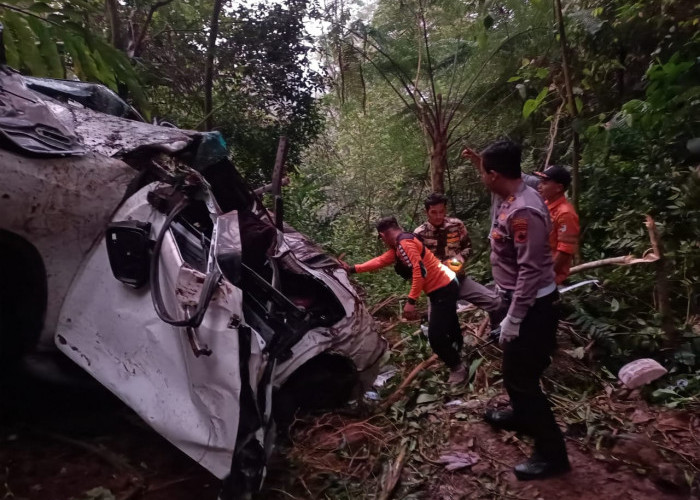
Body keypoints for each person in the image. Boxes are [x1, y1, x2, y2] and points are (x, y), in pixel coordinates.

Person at [467, 139, 570, 480]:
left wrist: (515, 317)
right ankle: (521, 415)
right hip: (518, 298)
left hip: (533, 305)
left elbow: (529, 271)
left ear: (494, 175)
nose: (482, 178)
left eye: (483, 172)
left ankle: (552, 454)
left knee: (523, 378)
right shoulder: (518, 189)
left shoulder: (524, 210)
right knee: (513, 370)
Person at [340, 216, 468, 385]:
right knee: (450, 324)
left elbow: (419, 272)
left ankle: (457, 367)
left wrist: (411, 302)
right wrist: (353, 269)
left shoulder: (405, 244)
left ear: (383, 235)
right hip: (445, 284)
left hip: (443, 288)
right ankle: (461, 352)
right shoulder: (401, 243)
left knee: (436, 336)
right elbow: (381, 260)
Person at [414, 193, 504, 316]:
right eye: (434, 212)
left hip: (459, 279)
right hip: (437, 287)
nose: (438, 216)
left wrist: (458, 260)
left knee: (496, 303)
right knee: (437, 327)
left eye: (441, 211)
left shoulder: (456, 225)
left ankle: (497, 332)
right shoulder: (419, 234)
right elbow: (418, 263)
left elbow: (468, 247)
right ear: (426, 212)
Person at [534, 165, 580, 285]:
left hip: (547, 278)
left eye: (545, 182)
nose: (539, 186)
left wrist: (545, 274)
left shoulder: (565, 213)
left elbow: (565, 250)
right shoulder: (545, 205)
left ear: (559, 188)